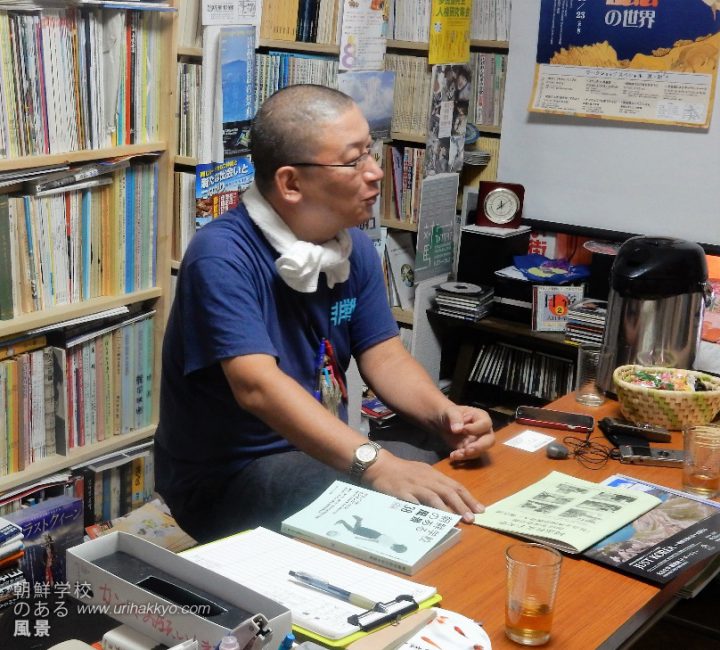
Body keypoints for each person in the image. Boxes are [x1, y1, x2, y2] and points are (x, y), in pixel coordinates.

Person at [154, 85, 495, 543]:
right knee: (393, 502)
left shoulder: (350, 248)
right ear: (291, 183)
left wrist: (447, 417)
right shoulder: (220, 255)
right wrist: (377, 464)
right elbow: (257, 386)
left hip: (316, 450)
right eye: (354, 161)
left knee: (452, 461)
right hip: (228, 477)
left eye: (370, 154)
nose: (375, 173)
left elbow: (385, 356)